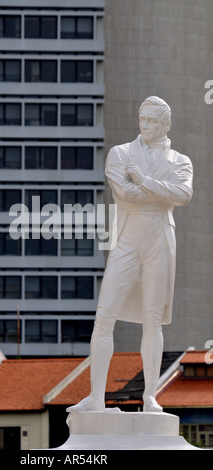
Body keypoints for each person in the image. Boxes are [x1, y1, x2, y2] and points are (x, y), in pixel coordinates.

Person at [67, 96, 193, 413]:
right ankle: (96, 396)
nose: (144, 125)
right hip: (127, 238)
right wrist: (158, 190)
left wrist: (146, 181)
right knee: (104, 314)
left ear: (166, 124)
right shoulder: (120, 153)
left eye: (151, 120)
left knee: (152, 319)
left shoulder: (181, 160)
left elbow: (183, 196)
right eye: (141, 118)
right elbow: (125, 193)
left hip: (161, 240)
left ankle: (150, 394)